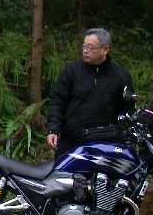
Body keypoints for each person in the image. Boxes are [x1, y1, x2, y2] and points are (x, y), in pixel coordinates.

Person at [46, 27, 134, 157]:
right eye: (84, 46)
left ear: (105, 49)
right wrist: (54, 128)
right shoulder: (72, 71)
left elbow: (127, 110)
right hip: (70, 141)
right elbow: (57, 101)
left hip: (103, 144)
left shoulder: (120, 76)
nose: (85, 50)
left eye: (90, 47)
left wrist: (122, 137)